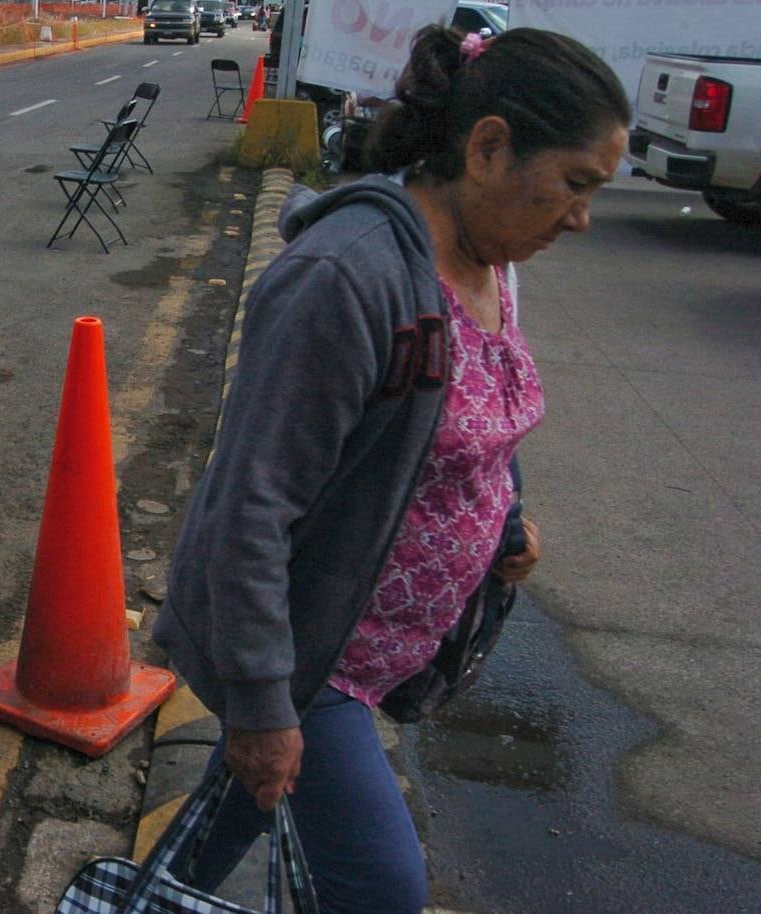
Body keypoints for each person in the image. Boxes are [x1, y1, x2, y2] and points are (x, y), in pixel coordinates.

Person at [153, 26, 630, 912]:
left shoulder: (492, 265)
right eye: (575, 183)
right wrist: (262, 705)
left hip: (378, 645)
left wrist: (502, 526)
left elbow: (472, 426)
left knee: (239, 807)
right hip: (311, 655)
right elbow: (249, 507)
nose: (582, 218)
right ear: (488, 147)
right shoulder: (346, 278)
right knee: (381, 887)